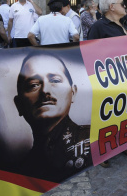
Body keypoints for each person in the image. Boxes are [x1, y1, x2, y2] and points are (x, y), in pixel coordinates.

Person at [14, 52, 92, 182]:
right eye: (33, 85)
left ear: (73, 92)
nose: (45, 90)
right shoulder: (21, 170)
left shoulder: (94, 136)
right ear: (19, 104)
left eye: (55, 80)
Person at [88, 0, 127, 167]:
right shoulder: (99, 27)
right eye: (123, 3)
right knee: (107, 117)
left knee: (125, 113)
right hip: (109, 80)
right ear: (111, 7)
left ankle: (123, 144)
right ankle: (102, 151)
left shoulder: (124, 23)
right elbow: (90, 54)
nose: (125, 6)